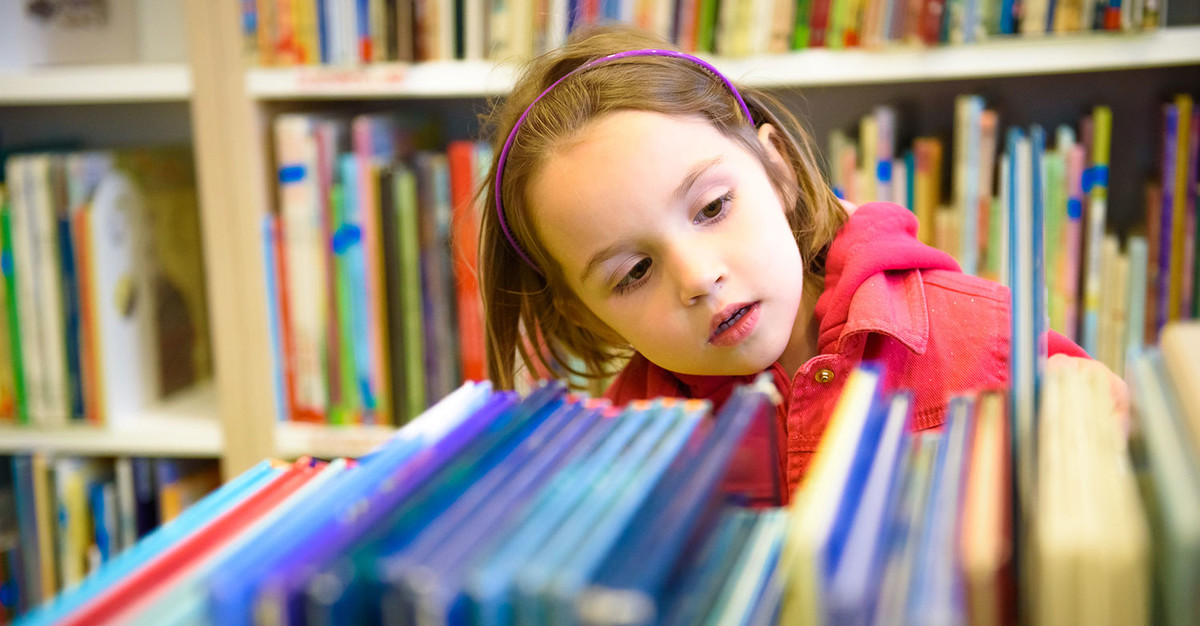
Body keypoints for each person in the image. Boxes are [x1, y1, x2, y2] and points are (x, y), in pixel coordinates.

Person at [478, 24, 1103, 505]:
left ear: (776, 171)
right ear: (585, 314)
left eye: (713, 207)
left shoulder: (988, 336)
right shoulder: (624, 441)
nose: (698, 278)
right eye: (634, 273)